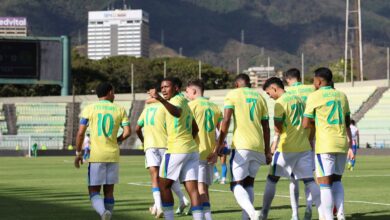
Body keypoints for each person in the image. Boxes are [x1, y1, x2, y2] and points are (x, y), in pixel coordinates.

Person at [260, 77, 322, 220]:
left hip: (286, 147)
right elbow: (310, 122)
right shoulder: (300, 100)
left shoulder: (280, 103)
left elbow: (277, 127)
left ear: (274, 88)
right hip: (304, 147)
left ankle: (263, 214)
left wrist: (274, 144)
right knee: (309, 181)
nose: (269, 97)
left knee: (271, 179)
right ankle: (323, 214)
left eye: (269, 93)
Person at [217, 73, 271, 220]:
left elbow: (226, 119)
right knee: (248, 184)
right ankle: (245, 217)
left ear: (236, 85)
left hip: (241, 145)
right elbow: (266, 127)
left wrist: (220, 142)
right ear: (250, 85)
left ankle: (252, 213)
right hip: (258, 146)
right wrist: (267, 151)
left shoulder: (233, 94)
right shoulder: (260, 97)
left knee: (235, 184)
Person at [303, 67, 354, 220]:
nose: (313, 83)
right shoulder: (342, 96)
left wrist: (316, 122)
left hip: (325, 144)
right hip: (341, 142)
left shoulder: (314, 96)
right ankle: (341, 214)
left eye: (314, 80)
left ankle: (327, 217)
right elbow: (346, 122)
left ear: (318, 81)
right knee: (337, 180)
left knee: (324, 182)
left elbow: (305, 124)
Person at [74, 82, 131, 220]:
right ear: (110, 92)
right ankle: (108, 215)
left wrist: (78, 153)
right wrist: (117, 140)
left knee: (93, 191)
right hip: (113, 155)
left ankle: (103, 213)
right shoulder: (120, 109)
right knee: (109, 192)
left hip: (96, 156)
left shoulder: (89, 109)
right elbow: (128, 132)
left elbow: (81, 133)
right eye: (114, 92)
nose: (115, 95)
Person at [149, 77, 203, 220]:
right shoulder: (186, 102)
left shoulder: (177, 101)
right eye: (162, 87)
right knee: (193, 190)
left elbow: (177, 112)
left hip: (176, 150)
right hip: (191, 151)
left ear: (176, 88)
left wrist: (160, 99)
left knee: (163, 185)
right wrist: (187, 142)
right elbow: (195, 128)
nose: (163, 89)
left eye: (167, 86)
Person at [136, 87, 190, 218]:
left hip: (150, 145)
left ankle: (159, 206)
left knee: (156, 177)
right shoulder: (165, 107)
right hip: (166, 144)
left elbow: (137, 128)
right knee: (168, 177)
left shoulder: (147, 109)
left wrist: (143, 141)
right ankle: (182, 199)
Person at [186, 80, 223, 220]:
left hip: (197, 152)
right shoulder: (215, 107)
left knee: (199, 189)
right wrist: (216, 150)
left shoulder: (190, 106)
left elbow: (188, 129)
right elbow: (222, 131)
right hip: (210, 152)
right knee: (205, 188)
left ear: (194, 91)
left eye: (188, 91)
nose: (186, 94)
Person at [284, 68, 316, 219]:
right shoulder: (311, 89)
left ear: (288, 79)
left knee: (293, 179)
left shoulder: (288, 93)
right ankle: (309, 206)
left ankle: (295, 214)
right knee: (309, 177)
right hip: (310, 138)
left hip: (294, 139)